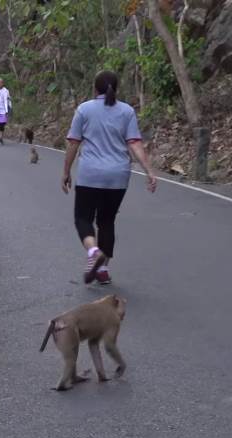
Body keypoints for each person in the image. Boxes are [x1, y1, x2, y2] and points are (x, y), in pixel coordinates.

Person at [62, 70, 158, 285]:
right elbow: (135, 143)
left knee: (83, 218)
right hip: (118, 176)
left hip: (90, 174)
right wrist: (149, 171)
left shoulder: (84, 109)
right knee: (106, 220)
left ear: (95, 88)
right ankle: (103, 269)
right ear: (116, 88)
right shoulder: (127, 111)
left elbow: (73, 144)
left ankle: (94, 252)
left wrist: (66, 171)